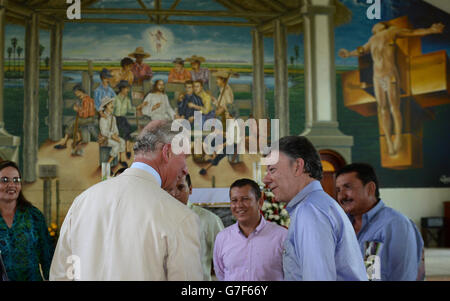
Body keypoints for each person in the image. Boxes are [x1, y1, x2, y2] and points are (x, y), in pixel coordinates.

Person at [50, 120, 203, 280]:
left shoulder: (82, 202)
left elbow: (60, 276)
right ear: (167, 152)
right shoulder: (181, 217)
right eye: (184, 157)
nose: (186, 168)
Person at [262, 136, 367, 281]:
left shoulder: (310, 212)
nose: (265, 179)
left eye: (272, 169)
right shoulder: (319, 205)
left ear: (297, 166)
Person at [339, 22, 444, 156]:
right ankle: (389, 141)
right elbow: (361, 50)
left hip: (390, 75)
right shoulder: (372, 40)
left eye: (377, 25)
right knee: (383, 108)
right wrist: (348, 54)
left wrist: (430, 30)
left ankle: (398, 137)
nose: (374, 26)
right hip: (378, 78)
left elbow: (412, 33)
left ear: (382, 26)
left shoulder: (391, 32)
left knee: (394, 107)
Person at [335, 163, 425, 281]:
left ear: (370, 188)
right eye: (338, 190)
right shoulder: (340, 225)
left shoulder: (396, 225)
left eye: (348, 187)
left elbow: (403, 276)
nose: (341, 195)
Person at [213, 178, 287, 281]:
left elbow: (291, 275)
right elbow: (221, 274)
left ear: (260, 202)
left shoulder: (281, 236)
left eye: (245, 199)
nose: (239, 205)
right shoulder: (222, 238)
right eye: (234, 200)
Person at [0, 160, 54, 281]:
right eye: (4, 180)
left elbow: (47, 258)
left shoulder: (34, 216)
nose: (12, 185)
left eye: (16, 180)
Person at [167, 174, 224, 281]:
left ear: (191, 189)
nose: (174, 193)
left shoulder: (209, 220)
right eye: (169, 189)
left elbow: (225, 259)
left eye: (180, 187)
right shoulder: (157, 219)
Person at [54, 84, 97, 154]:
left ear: (80, 91)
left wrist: (77, 109)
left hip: (89, 119)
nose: (76, 94)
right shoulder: (84, 99)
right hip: (87, 118)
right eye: (75, 93)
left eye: (77, 92)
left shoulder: (86, 100)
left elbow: (85, 114)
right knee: (73, 123)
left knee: (71, 123)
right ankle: (78, 138)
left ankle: (64, 143)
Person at [98, 97, 127, 166]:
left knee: (122, 142)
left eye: (112, 103)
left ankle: (121, 159)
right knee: (116, 145)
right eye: (109, 104)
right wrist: (112, 136)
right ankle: (108, 163)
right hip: (105, 138)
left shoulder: (113, 117)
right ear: (105, 107)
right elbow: (103, 132)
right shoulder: (103, 118)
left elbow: (115, 128)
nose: (112, 105)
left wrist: (116, 134)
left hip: (112, 137)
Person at [113, 80, 135, 158]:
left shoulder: (127, 99)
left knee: (127, 129)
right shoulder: (115, 98)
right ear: (122, 89)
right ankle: (126, 149)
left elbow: (130, 109)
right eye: (126, 89)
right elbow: (111, 109)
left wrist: (138, 108)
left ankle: (128, 148)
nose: (127, 90)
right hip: (115, 119)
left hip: (123, 118)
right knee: (124, 130)